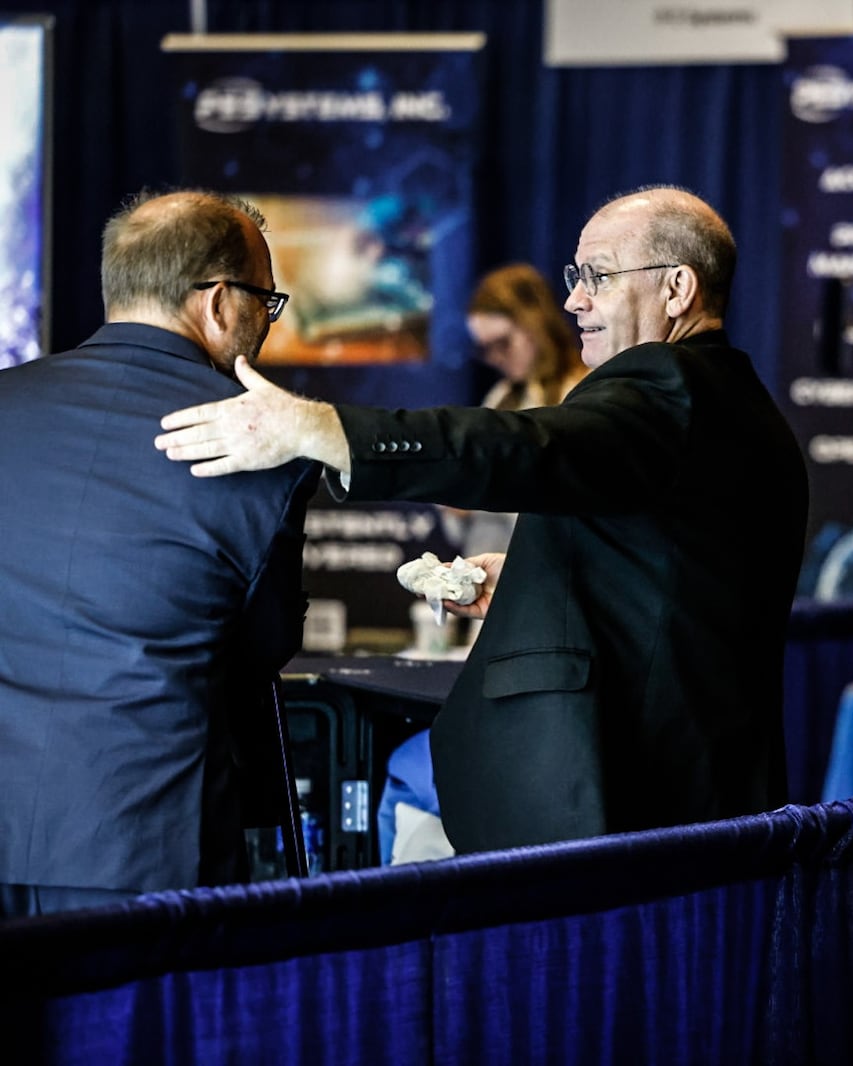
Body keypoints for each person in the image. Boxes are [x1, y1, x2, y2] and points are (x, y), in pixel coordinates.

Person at [156, 185, 811, 853]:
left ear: (677, 289)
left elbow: (528, 448)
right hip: (699, 793)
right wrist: (531, 578)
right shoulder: (736, 405)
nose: (574, 299)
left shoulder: (666, 383)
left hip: (627, 802)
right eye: (575, 277)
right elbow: (668, 579)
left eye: (599, 276)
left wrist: (323, 430)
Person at [0, 189, 318, 918]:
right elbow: (261, 651)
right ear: (217, 303)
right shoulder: (260, 443)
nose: (264, 327)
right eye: (266, 304)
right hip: (145, 848)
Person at [444, 262, 588, 559]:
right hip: (489, 574)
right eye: (484, 349)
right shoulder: (501, 395)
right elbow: (464, 514)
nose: (495, 358)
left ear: (536, 324)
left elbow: (572, 510)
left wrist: (486, 488)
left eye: (502, 343)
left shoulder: (582, 392)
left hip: (550, 576)